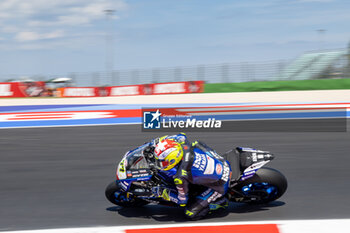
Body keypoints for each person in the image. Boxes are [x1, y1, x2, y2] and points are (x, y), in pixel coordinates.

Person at [143, 133, 231, 220]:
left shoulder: (180, 176)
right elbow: (181, 135)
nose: (160, 165)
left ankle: (220, 202)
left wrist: (163, 192)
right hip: (221, 162)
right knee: (197, 144)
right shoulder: (183, 143)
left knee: (190, 213)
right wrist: (156, 143)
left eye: (163, 162)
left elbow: (182, 201)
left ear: (174, 158)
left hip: (220, 184)